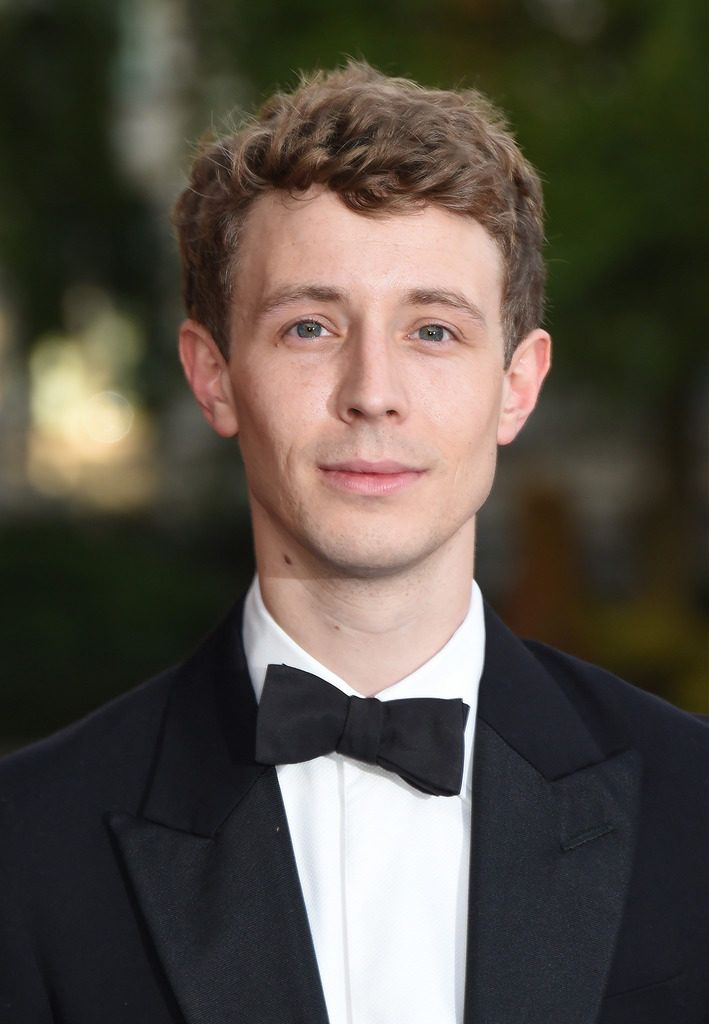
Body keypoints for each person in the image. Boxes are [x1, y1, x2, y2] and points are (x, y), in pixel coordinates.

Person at [0, 61, 707, 1024]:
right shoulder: (28, 843)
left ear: (517, 383)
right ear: (212, 377)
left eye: (431, 331)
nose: (370, 390)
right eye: (308, 326)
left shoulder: (694, 809)